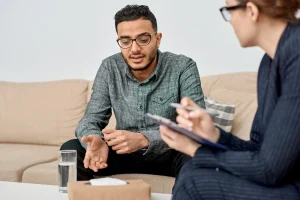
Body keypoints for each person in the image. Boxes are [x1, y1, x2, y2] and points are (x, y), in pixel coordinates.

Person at [160, 0, 300, 199]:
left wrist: (196, 150)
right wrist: (215, 135)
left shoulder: (296, 55)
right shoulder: (269, 64)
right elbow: (258, 148)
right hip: (286, 181)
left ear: (251, 11)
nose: (230, 21)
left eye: (229, 11)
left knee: (195, 184)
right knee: (191, 169)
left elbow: (269, 169)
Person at [60, 4, 205, 181]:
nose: (134, 49)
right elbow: (90, 120)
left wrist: (145, 139)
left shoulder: (183, 67)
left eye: (143, 39)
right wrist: (96, 139)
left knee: (198, 155)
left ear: (157, 39)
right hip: (123, 154)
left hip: (169, 152)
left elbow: (196, 128)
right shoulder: (110, 67)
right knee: (72, 149)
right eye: (126, 41)